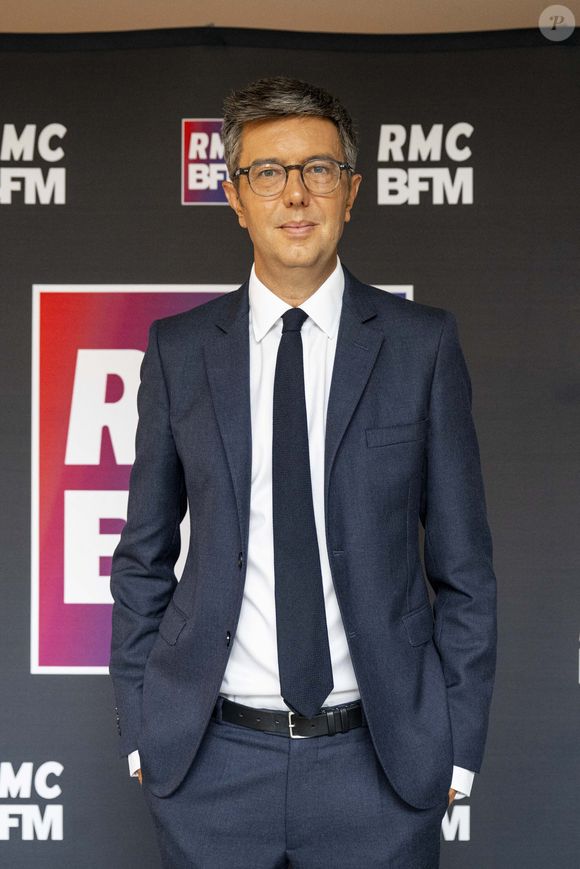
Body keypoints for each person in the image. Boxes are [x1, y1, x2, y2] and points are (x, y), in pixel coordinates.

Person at [109, 76, 497, 868]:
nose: (295, 193)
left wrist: (455, 744)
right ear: (234, 197)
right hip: (212, 765)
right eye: (268, 172)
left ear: (350, 191)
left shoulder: (421, 345)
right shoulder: (179, 351)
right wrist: (145, 724)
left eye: (318, 169)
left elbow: (464, 571)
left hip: (380, 767)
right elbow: (143, 556)